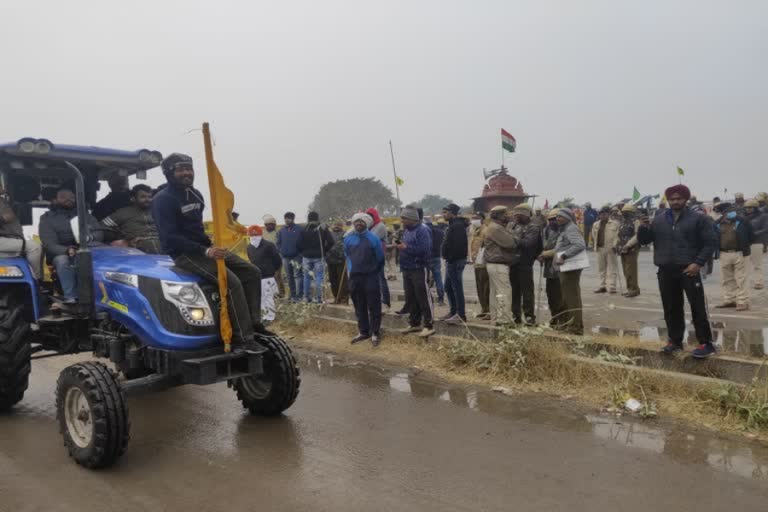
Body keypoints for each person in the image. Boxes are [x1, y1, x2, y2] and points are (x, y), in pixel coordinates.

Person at [152, 153, 264, 343]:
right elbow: (170, 238)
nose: (187, 173)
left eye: (189, 168)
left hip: (205, 247)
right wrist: (205, 251)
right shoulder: (163, 200)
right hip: (185, 255)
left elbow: (195, 228)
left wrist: (210, 243)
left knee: (252, 272)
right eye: (181, 170)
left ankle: (254, 323)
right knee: (232, 282)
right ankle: (243, 338)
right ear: (169, 173)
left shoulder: (196, 194)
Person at [637, 184, 717, 358]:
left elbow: (710, 242)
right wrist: (643, 228)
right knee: (671, 308)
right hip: (665, 270)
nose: (675, 202)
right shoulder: (658, 220)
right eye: (672, 199)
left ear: (686, 199)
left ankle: (705, 343)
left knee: (697, 307)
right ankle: (675, 341)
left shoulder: (698, 219)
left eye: (679, 199)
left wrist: (698, 263)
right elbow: (645, 241)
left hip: (689, 269)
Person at [39, 187, 105, 302]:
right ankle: (71, 297)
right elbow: (49, 243)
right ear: (55, 200)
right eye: (63, 197)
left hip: (87, 248)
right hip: (62, 252)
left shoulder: (86, 215)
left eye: (72, 197)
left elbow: (99, 231)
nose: (69, 200)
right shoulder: (47, 219)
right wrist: (67, 250)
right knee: (63, 261)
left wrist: (91, 238)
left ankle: (102, 296)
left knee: (105, 256)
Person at [344, 213, 385, 347]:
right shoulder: (348, 239)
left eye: (362, 222)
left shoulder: (373, 238)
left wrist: (373, 270)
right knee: (359, 305)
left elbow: (380, 258)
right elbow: (347, 255)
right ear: (353, 223)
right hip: (355, 276)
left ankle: (375, 333)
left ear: (367, 223)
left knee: (374, 304)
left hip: (370, 276)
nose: (359, 224)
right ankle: (363, 331)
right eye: (357, 221)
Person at [396, 205, 435, 338]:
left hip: (419, 268)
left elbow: (425, 250)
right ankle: (414, 323)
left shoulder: (423, 230)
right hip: (407, 268)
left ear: (412, 218)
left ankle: (429, 325)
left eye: (404, 218)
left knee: (423, 296)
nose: (402, 221)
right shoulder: (407, 230)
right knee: (411, 297)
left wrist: (406, 247)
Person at [713, 202, 753, 312]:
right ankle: (729, 300)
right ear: (723, 213)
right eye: (729, 211)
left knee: (741, 279)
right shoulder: (717, 223)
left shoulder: (743, 221)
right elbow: (714, 237)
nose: (732, 212)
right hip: (724, 253)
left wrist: (745, 247)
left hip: (740, 252)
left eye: (732, 210)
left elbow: (751, 235)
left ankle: (742, 302)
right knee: (727, 279)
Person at [100, 184, 162, 254]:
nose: (147, 200)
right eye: (143, 197)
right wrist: (120, 239)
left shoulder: (158, 211)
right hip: (136, 252)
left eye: (150, 197)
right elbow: (102, 227)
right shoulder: (123, 213)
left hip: (164, 250)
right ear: (133, 198)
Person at [553, 208, 587, 335]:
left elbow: (579, 245)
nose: (557, 218)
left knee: (572, 298)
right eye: (557, 216)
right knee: (567, 297)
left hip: (570, 268)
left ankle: (576, 327)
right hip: (566, 268)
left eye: (560, 216)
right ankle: (570, 324)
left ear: (568, 217)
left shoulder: (571, 228)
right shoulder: (565, 228)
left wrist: (564, 256)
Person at [507, 204, 542, 325]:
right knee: (514, 291)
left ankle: (529, 317)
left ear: (526, 215)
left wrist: (511, 237)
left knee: (527, 292)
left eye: (519, 215)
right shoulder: (512, 225)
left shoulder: (533, 228)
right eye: (515, 214)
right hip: (512, 263)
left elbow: (528, 243)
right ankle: (515, 316)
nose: (516, 217)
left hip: (525, 263)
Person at [483, 205, 517, 325]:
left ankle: (496, 318)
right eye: (506, 214)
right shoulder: (496, 228)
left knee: (495, 293)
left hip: (494, 264)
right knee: (504, 291)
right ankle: (503, 319)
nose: (508, 216)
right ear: (499, 215)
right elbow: (511, 243)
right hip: (498, 264)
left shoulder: (495, 227)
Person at [0, 187, 43, 279]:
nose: (2, 187)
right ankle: (36, 279)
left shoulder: (3, 200)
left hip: (9, 239)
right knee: (34, 247)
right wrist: (2, 218)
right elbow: (6, 217)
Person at [246, 225, 282, 323]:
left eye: (256, 235)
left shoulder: (269, 245)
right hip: (257, 277)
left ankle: (270, 317)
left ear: (260, 235)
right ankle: (264, 316)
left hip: (268, 276)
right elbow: (251, 260)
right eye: (251, 235)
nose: (254, 237)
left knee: (268, 297)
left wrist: (272, 270)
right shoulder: (249, 247)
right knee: (260, 297)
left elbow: (277, 260)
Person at [440, 203, 468, 324]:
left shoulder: (457, 226)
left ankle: (461, 315)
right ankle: (453, 311)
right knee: (448, 287)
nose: (443, 214)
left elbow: (459, 246)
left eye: (445, 212)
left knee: (457, 288)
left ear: (452, 213)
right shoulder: (452, 225)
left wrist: (450, 258)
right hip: (451, 261)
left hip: (455, 261)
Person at [538, 209, 567, 327]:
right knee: (551, 294)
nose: (552, 222)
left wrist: (544, 254)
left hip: (562, 267)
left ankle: (563, 319)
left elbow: (561, 248)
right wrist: (541, 255)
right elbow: (544, 246)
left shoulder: (565, 231)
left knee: (561, 295)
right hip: (549, 268)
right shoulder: (546, 230)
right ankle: (554, 316)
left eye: (554, 219)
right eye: (550, 220)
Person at [297, 211, 334, 304]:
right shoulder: (322, 228)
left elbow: (298, 244)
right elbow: (331, 241)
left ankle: (306, 298)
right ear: (317, 218)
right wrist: (325, 250)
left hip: (306, 256)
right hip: (319, 256)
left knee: (307, 277)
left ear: (308, 219)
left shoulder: (304, 229)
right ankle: (319, 299)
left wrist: (303, 252)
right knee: (319, 277)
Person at [366, 207, 391, 309]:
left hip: (378, 256)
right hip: (370, 257)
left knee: (380, 279)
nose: (369, 219)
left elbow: (371, 239)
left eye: (371, 216)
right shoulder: (369, 227)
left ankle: (385, 301)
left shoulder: (380, 226)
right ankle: (376, 300)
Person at [590, 206, 619, 294]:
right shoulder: (596, 224)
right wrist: (594, 245)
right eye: (601, 214)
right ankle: (602, 286)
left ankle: (612, 287)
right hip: (600, 248)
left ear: (608, 214)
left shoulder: (615, 224)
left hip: (611, 248)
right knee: (601, 268)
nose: (603, 215)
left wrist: (615, 245)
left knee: (612, 268)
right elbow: (593, 235)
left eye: (605, 213)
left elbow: (617, 236)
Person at [277, 211, 304, 302]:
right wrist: (281, 251)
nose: (286, 220)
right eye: (285, 218)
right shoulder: (282, 230)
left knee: (298, 275)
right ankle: (292, 295)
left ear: (292, 219)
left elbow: (303, 242)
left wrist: (300, 253)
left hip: (297, 257)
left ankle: (299, 296)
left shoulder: (299, 229)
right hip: (285, 257)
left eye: (288, 218)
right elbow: (278, 242)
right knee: (289, 277)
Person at [617, 204, 642, 297]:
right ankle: (630, 288)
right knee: (625, 270)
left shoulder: (636, 222)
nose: (624, 214)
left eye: (627, 212)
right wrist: (616, 244)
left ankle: (633, 290)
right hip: (622, 249)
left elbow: (637, 236)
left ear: (632, 212)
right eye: (624, 212)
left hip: (632, 248)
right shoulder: (623, 222)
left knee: (631, 270)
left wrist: (628, 245)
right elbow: (618, 234)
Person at [469, 212, 490, 319]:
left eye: (476, 218)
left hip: (483, 263)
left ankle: (489, 310)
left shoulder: (485, 230)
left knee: (486, 287)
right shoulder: (474, 230)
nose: (473, 220)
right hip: (476, 262)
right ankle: (484, 308)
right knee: (480, 287)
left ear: (482, 219)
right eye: (473, 218)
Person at [743, 199, 767, 290]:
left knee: (757, 264)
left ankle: (758, 282)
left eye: (750, 207)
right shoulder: (743, 217)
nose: (748, 209)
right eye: (746, 208)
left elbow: (765, 229)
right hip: (745, 243)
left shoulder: (763, 216)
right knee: (745, 264)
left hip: (757, 242)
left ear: (755, 208)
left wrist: (753, 234)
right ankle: (745, 282)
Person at [326, 218, 349, 304]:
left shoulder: (345, 234)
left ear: (341, 226)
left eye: (338, 225)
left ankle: (344, 298)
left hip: (341, 260)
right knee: (333, 280)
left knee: (342, 280)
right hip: (330, 260)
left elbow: (348, 245)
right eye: (335, 224)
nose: (336, 226)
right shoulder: (329, 234)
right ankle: (336, 297)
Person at [261, 214, 285, 297]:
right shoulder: (263, 234)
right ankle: (273, 293)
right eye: (266, 225)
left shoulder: (278, 233)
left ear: (273, 225)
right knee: (270, 276)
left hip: (277, 258)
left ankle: (282, 293)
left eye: (269, 224)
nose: (268, 226)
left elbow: (281, 245)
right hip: (267, 259)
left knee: (278, 276)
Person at [426, 217, 446, 306]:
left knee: (425, 279)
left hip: (427, 257)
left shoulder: (424, 230)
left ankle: (427, 298)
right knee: (438, 278)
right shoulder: (440, 232)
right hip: (436, 257)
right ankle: (441, 299)